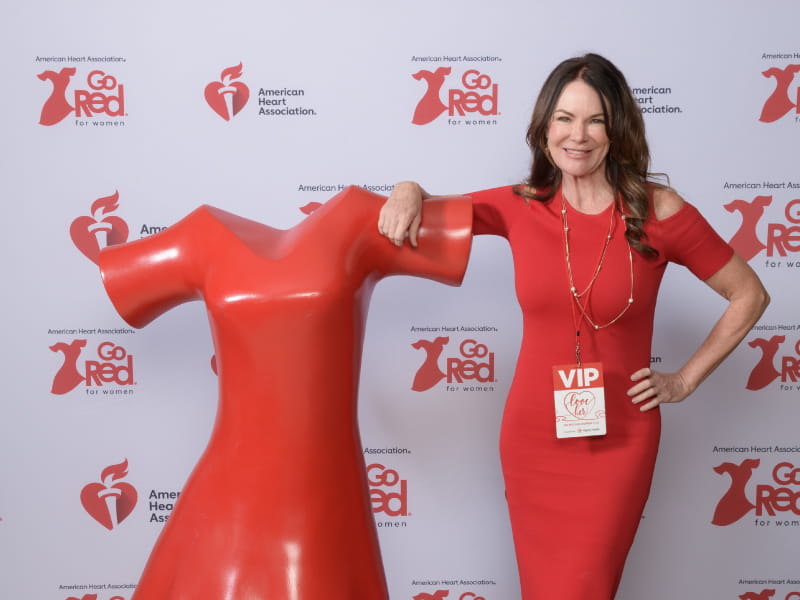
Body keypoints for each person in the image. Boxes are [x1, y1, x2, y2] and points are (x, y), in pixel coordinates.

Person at [377, 53, 769, 600]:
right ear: (544, 129)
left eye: (595, 119)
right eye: (564, 118)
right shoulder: (520, 207)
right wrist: (407, 186)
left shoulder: (658, 210)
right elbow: (431, 206)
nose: (577, 135)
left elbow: (748, 293)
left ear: (618, 128)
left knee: (585, 587)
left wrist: (683, 380)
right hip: (533, 435)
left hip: (620, 439)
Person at [98, 186, 472, 600]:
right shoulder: (197, 239)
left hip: (323, 488)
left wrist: (411, 190)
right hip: (227, 495)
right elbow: (123, 281)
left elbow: (468, 221)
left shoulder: (359, 220)